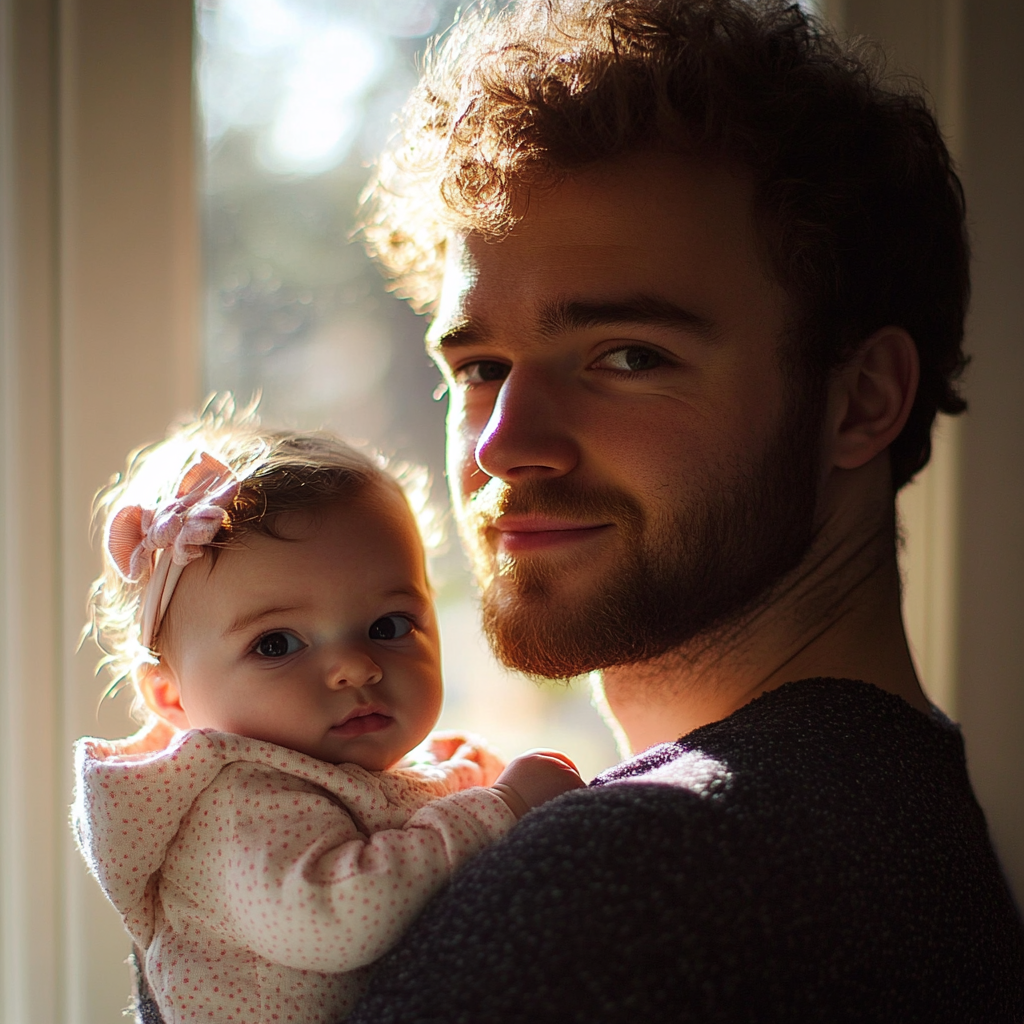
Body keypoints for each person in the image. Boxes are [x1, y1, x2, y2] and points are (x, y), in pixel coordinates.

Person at [346, 0, 1024, 1019]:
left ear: (862, 398)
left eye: (626, 355)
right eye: (480, 366)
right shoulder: (897, 813)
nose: (502, 444)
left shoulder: (627, 880)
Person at [72, 402, 584, 1024]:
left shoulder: (362, 767)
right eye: (277, 644)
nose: (355, 666)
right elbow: (334, 917)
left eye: (388, 625)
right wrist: (500, 809)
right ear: (171, 697)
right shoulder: (241, 798)